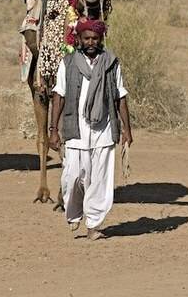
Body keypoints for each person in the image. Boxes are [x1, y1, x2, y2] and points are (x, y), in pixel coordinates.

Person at [48, 18, 133, 240]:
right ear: (79, 39)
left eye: (95, 38)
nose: (91, 42)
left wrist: (127, 129)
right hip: (76, 130)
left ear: (101, 39)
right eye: (86, 38)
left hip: (103, 130)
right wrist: (53, 129)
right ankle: (74, 213)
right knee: (73, 177)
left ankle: (93, 225)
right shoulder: (68, 63)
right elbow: (59, 96)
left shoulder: (111, 63)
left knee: (99, 180)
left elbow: (120, 97)